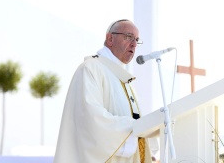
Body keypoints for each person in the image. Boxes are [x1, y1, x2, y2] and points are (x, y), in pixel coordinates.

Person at [53, 19, 153, 163]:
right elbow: (91, 120)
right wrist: (135, 128)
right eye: (129, 37)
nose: (134, 44)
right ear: (110, 38)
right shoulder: (90, 69)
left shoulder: (125, 81)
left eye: (136, 40)